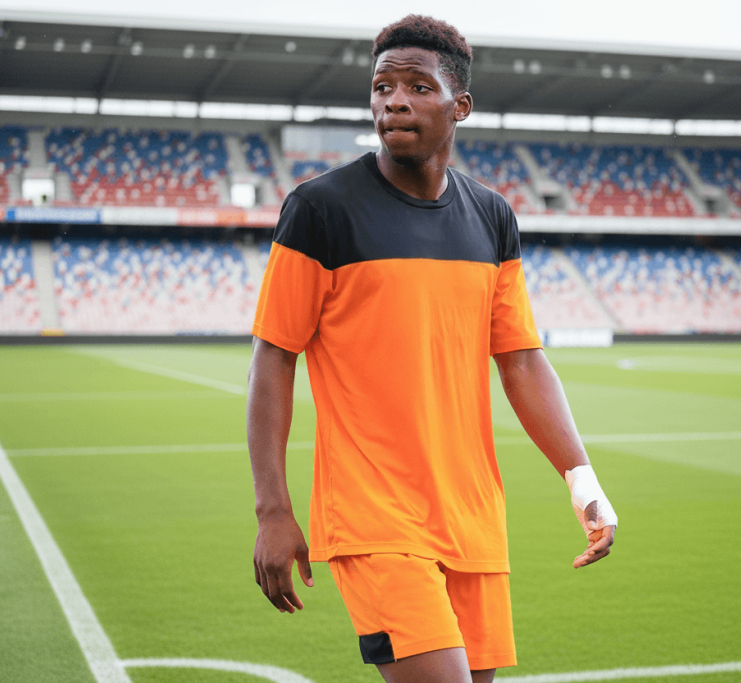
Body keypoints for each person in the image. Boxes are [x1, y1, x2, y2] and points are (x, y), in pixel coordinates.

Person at [246, 14, 617, 683]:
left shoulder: (492, 216)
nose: (394, 99)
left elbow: (523, 358)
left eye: (418, 85)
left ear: (460, 106)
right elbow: (274, 355)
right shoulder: (320, 210)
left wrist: (581, 479)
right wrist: (274, 509)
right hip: (375, 516)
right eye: (382, 86)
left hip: (473, 517)